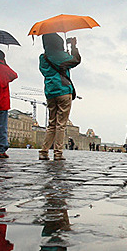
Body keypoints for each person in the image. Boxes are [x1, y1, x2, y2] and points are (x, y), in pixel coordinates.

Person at [38, 33, 81, 161]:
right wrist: (73, 47)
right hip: (63, 90)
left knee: (51, 124)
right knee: (61, 124)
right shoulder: (60, 55)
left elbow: (45, 70)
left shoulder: (43, 57)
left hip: (50, 92)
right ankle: (58, 153)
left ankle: (44, 151)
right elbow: (76, 60)